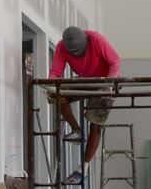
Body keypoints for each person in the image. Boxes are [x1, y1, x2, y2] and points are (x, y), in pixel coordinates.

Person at [51, 25, 120, 179]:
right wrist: (51, 86)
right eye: (73, 54)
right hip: (84, 79)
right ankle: (77, 131)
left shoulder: (95, 39)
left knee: (96, 121)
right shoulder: (62, 47)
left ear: (85, 43)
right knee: (56, 94)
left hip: (103, 79)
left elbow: (115, 61)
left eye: (79, 52)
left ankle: (84, 166)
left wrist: (109, 83)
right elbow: (55, 72)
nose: (77, 56)